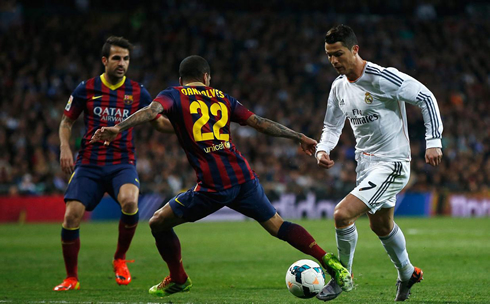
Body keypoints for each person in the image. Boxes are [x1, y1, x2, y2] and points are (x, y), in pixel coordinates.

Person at [90, 55, 354, 297]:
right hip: (243, 177)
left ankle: (179, 278)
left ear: (181, 80)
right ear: (207, 77)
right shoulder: (222, 97)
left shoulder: (173, 94)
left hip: (213, 186)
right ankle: (328, 260)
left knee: (158, 222)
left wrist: (118, 127)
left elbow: (151, 111)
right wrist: (298, 136)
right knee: (278, 226)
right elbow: (259, 122)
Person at [314, 25, 443, 302]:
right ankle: (407, 272)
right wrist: (322, 149)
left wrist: (433, 141)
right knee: (381, 226)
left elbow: (426, 98)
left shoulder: (383, 78)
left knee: (341, 214)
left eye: (338, 54)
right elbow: (331, 126)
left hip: (393, 163)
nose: (334, 61)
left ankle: (341, 277)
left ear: (355, 50)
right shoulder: (338, 87)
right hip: (366, 165)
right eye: (328, 56)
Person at [54, 36, 174, 291]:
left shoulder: (138, 91)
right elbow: (66, 122)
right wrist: (65, 148)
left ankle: (120, 258)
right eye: (117, 58)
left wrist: (184, 128)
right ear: (104, 60)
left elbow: (158, 122)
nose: (122, 63)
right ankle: (71, 278)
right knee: (71, 216)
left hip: (122, 162)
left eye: (126, 59)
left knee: (131, 201)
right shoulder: (85, 88)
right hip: (89, 163)